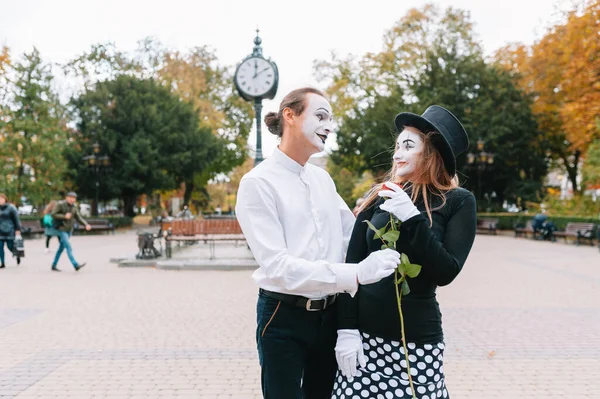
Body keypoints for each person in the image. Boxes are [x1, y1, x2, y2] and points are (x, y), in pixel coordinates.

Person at [235, 87, 400, 399]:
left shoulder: (323, 180)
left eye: (331, 119)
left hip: (331, 315)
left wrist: (400, 207)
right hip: (283, 315)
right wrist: (354, 275)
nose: (329, 126)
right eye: (321, 116)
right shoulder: (258, 183)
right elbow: (278, 266)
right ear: (290, 116)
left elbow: (353, 234)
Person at [332, 106, 477, 399]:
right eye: (397, 146)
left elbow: (446, 270)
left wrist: (412, 219)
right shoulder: (380, 197)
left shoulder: (458, 201)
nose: (397, 153)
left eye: (408, 146)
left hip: (417, 344)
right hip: (365, 341)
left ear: (431, 152)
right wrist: (346, 329)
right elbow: (352, 264)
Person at [50, 191, 91, 272]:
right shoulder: (60, 204)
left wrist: (86, 224)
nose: (72, 200)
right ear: (67, 198)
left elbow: (78, 217)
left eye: (74, 198)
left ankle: (54, 265)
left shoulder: (74, 207)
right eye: (71, 198)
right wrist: (64, 216)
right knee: (68, 246)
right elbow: (53, 214)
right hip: (62, 229)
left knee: (61, 248)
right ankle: (75, 265)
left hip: (69, 230)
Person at [0, 193, 22, 268]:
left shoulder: (11, 208)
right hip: (0, 231)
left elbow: (16, 219)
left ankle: (17, 255)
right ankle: (2, 263)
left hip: (9, 230)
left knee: (10, 246)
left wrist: (18, 228)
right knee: (0, 247)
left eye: (1, 199)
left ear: (5, 199)